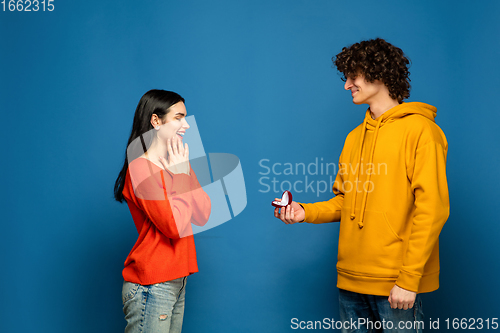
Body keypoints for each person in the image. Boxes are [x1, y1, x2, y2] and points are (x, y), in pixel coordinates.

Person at [274, 38, 449, 332]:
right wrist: (304, 211)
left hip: (396, 283)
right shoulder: (354, 137)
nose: (347, 85)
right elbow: (346, 200)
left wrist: (408, 279)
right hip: (351, 280)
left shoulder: (422, 131)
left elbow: (433, 209)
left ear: (377, 73)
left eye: (353, 76)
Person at [114, 89, 211, 333]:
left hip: (176, 279)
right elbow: (173, 227)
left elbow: (203, 214)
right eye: (178, 117)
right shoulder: (140, 169)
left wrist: (184, 173)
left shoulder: (177, 161)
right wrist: (181, 176)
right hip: (152, 284)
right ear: (156, 120)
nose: (186, 125)